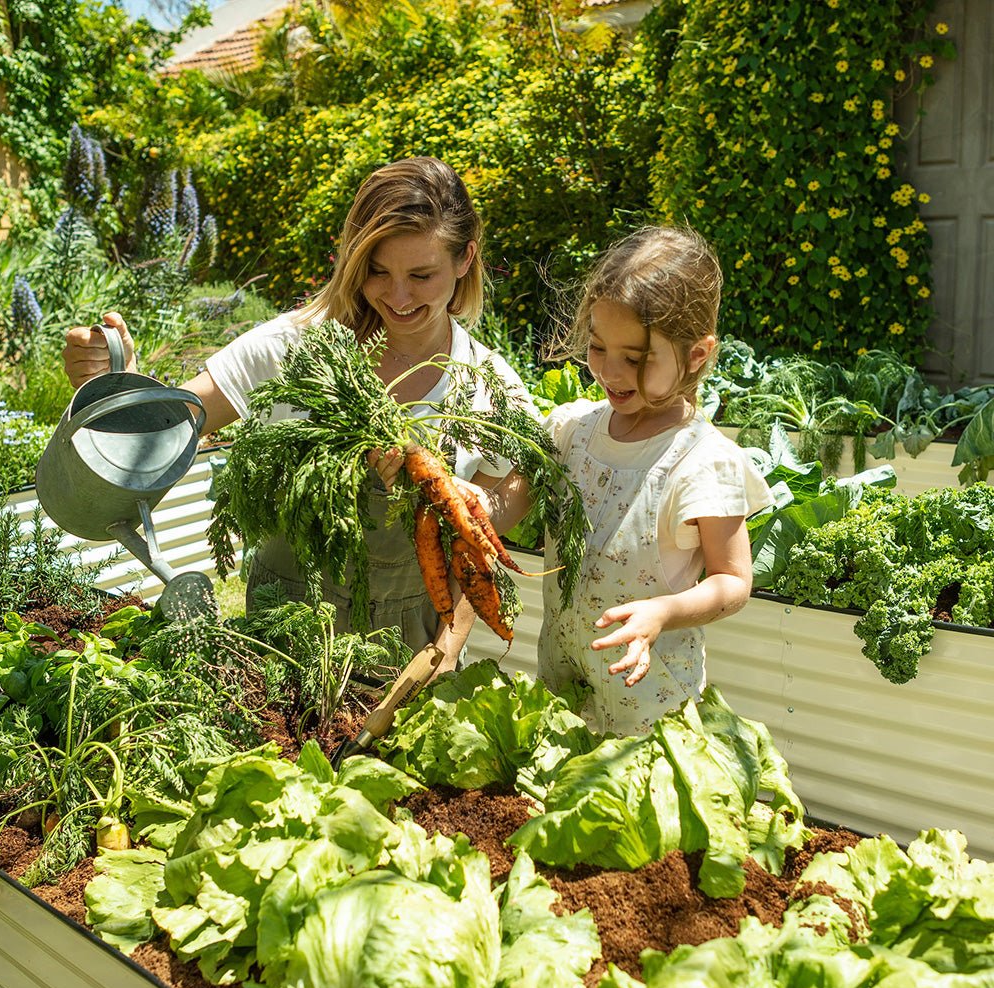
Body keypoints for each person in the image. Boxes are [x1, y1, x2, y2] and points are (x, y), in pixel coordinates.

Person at [62, 156, 535, 675]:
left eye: (421, 275)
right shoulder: (293, 345)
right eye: (378, 271)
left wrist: (475, 505)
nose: (397, 297)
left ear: (466, 259)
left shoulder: (487, 383)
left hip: (412, 652)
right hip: (283, 639)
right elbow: (173, 425)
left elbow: (517, 487)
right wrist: (123, 382)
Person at [471, 226, 773, 736]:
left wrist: (664, 611)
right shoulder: (572, 432)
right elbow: (505, 507)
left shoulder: (702, 462)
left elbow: (733, 582)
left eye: (634, 358)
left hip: (651, 703)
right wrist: (471, 502)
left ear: (696, 355)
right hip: (564, 679)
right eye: (597, 347)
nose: (610, 371)